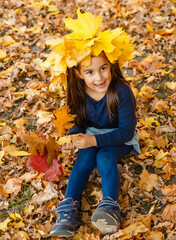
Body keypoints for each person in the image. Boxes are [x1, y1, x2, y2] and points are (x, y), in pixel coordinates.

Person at [42, 9, 140, 237]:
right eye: (90, 72)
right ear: (78, 74)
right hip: (91, 136)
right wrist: (73, 139)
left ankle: (110, 208)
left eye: (103, 68)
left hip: (119, 138)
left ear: (111, 65)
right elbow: (78, 124)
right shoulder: (77, 94)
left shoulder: (121, 91)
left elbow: (126, 131)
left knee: (104, 156)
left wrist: (93, 139)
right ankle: (67, 208)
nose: (99, 78)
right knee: (85, 156)